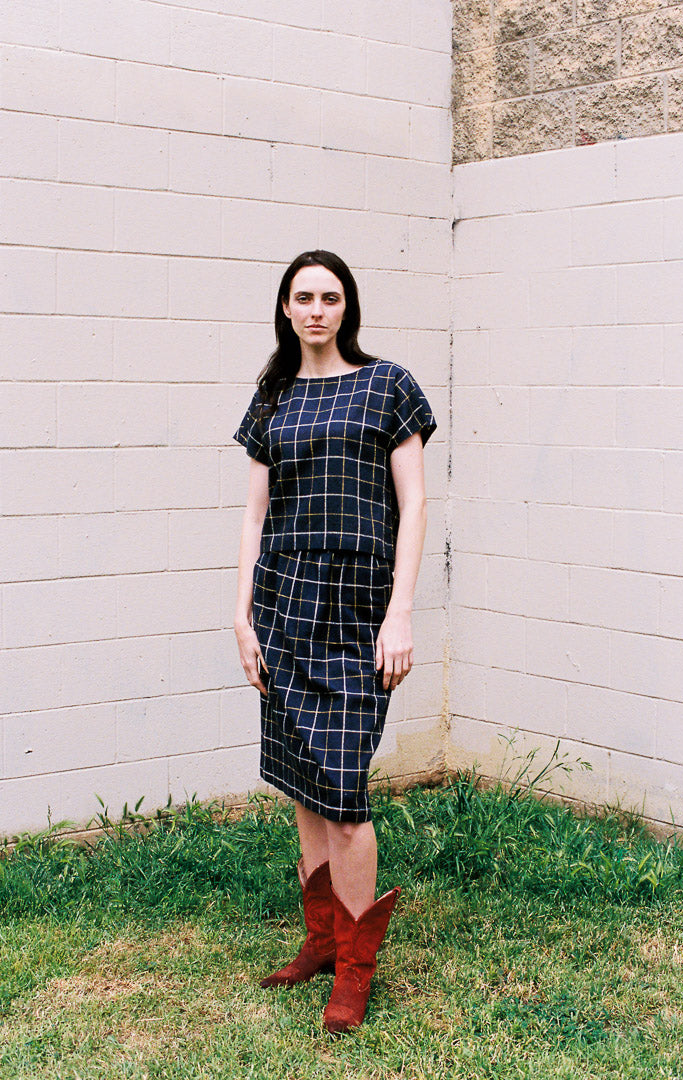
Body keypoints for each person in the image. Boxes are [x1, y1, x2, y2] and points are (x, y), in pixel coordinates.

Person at [232, 250, 437, 1034]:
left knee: (344, 796)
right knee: (300, 777)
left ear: (347, 306)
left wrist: (401, 611)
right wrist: (242, 614)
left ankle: (356, 969)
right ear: (286, 310)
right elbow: (255, 516)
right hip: (283, 600)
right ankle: (321, 941)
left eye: (330, 296)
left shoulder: (389, 387)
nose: (316, 309)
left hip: (357, 606)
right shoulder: (272, 396)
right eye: (302, 298)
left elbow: (413, 506)